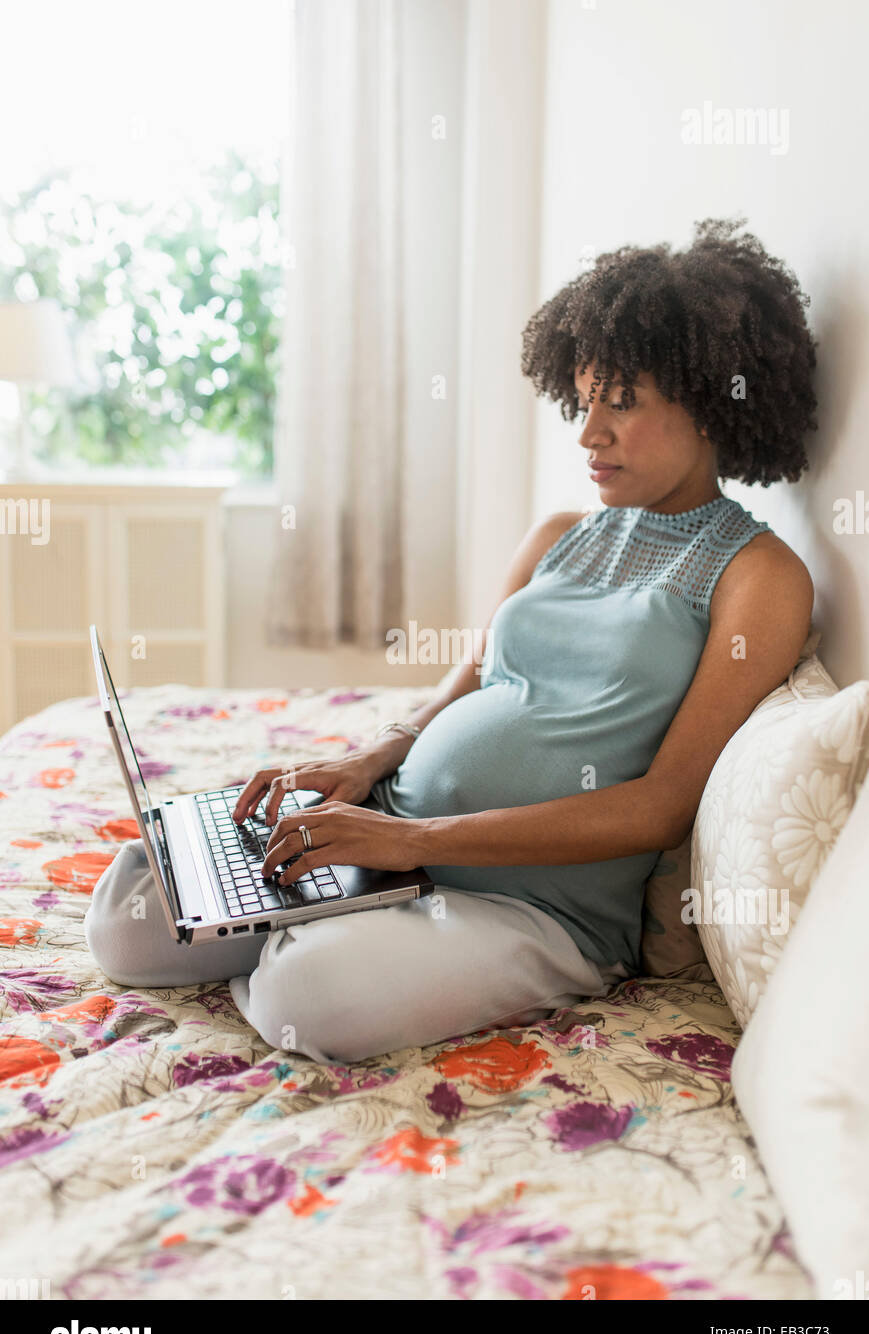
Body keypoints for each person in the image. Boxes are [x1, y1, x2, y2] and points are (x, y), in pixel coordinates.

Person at [85, 216, 816, 1063]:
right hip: (396, 840)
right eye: (583, 401)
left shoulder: (758, 574)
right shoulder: (559, 534)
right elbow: (467, 682)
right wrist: (374, 760)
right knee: (129, 921)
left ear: (711, 398)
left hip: (536, 907)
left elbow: (660, 806)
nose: (588, 434)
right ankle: (310, 911)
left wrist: (415, 844)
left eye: (623, 402)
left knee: (310, 996)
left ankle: (317, 934)